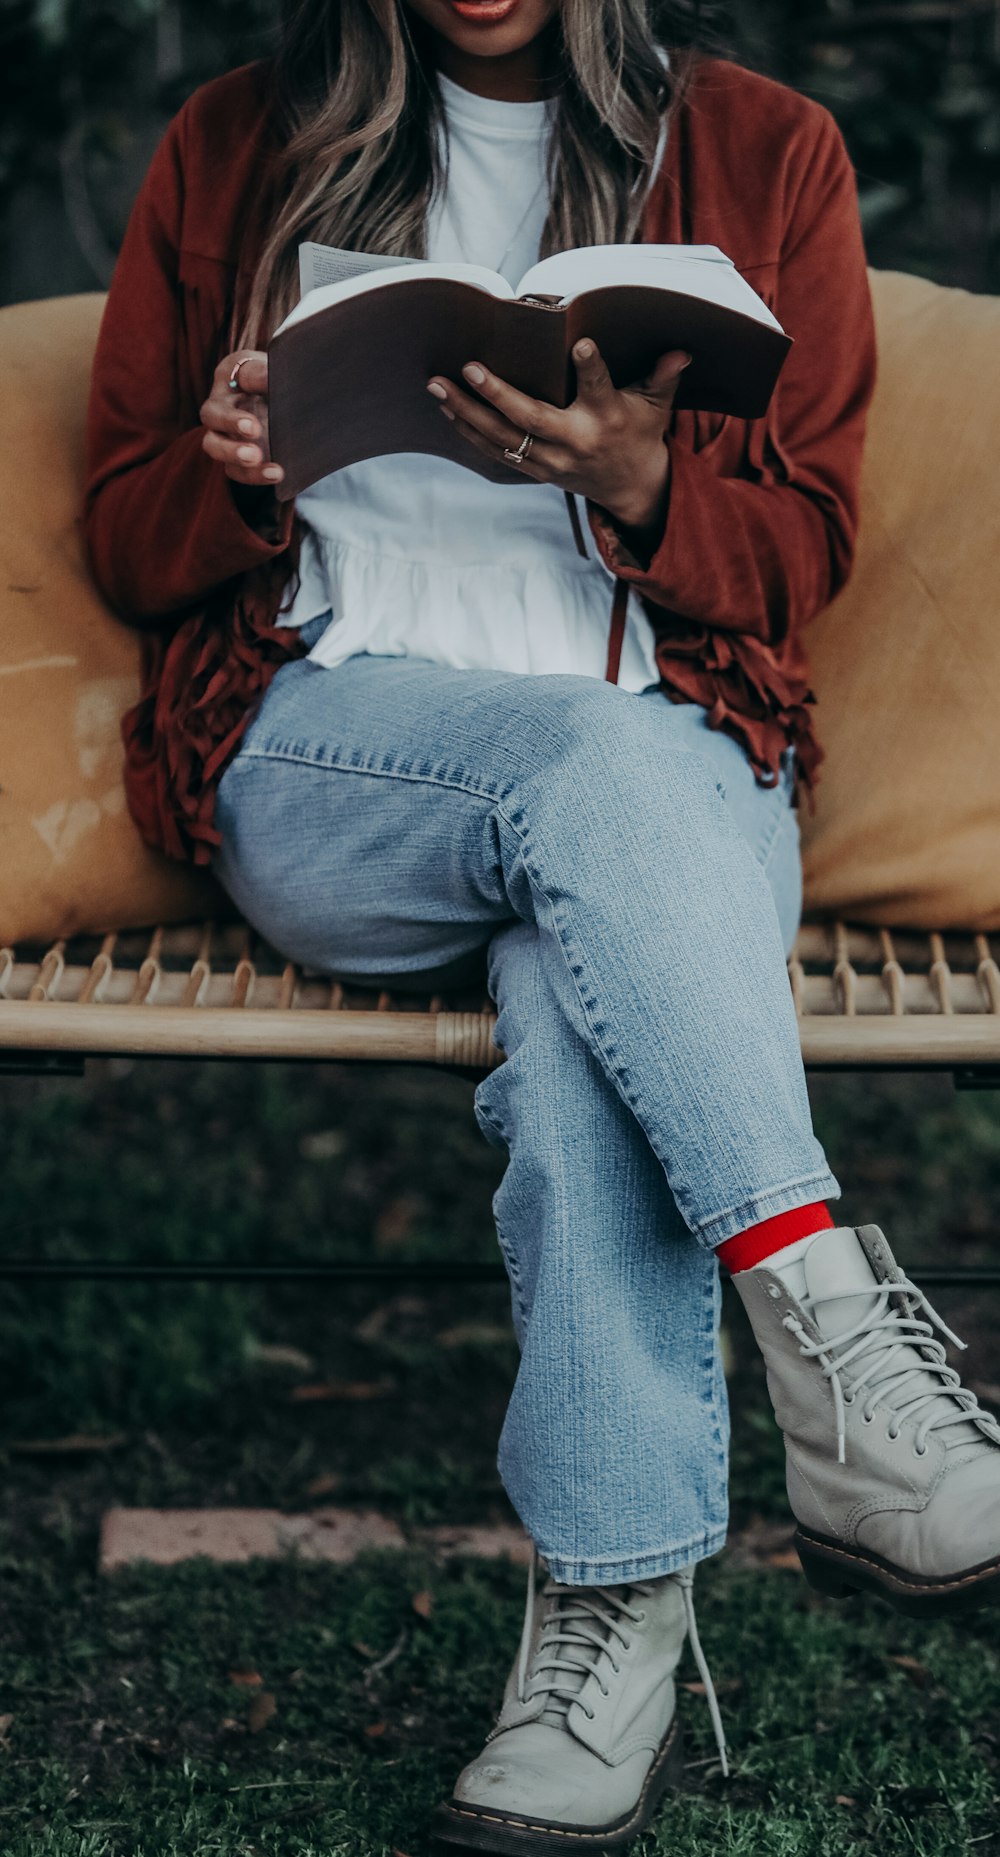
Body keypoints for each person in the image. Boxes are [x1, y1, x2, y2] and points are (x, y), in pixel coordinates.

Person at [83, 1, 1000, 1848]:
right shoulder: (234, 142)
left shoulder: (766, 150)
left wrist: (642, 481)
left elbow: (805, 544)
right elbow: (126, 529)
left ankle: (612, 1614)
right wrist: (231, 477)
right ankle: (833, 1330)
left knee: (587, 989)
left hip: (673, 770)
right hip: (342, 754)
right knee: (594, 775)